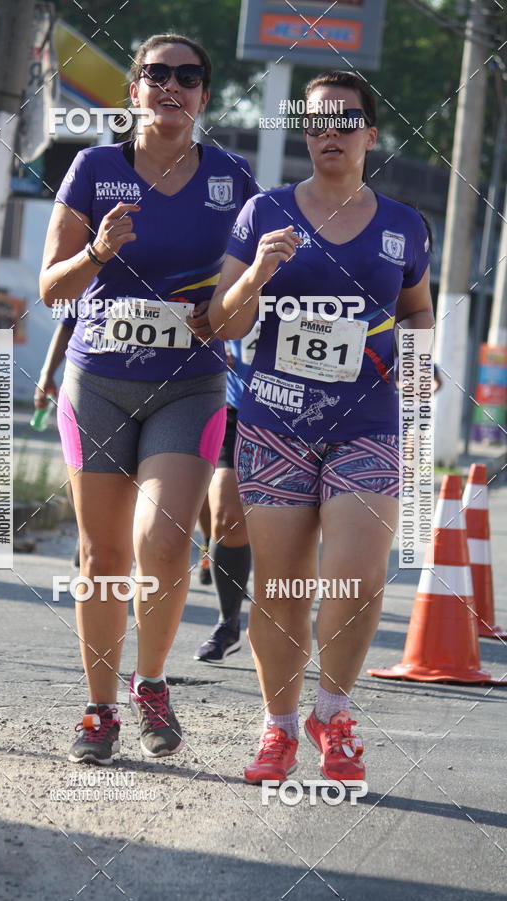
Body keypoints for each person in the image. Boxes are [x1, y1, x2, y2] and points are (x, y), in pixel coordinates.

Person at [209, 70, 433, 784]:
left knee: (360, 579)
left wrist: (419, 362)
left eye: (344, 120)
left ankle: (333, 715)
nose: (328, 132)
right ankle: (277, 728)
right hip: (275, 420)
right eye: (315, 122)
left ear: (372, 133)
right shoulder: (263, 213)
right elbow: (223, 320)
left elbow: (419, 312)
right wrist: (257, 274)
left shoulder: (404, 225)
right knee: (281, 586)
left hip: (367, 421)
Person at [39, 33, 257, 765]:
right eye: (155, 75)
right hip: (97, 379)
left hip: (189, 383)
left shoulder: (233, 177)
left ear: (204, 94)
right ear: (134, 90)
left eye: (186, 76)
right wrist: (97, 252)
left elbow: (247, 297)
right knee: (102, 554)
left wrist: (221, 309)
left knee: (163, 545)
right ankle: (99, 708)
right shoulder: (95, 168)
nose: (170, 86)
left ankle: (152, 682)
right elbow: (50, 288)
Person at [193, 333, 257, 663]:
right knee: (227, 519)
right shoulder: (234, 277)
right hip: (238, 407)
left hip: (305, 413)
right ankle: (228, 623)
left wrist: (414, 357)